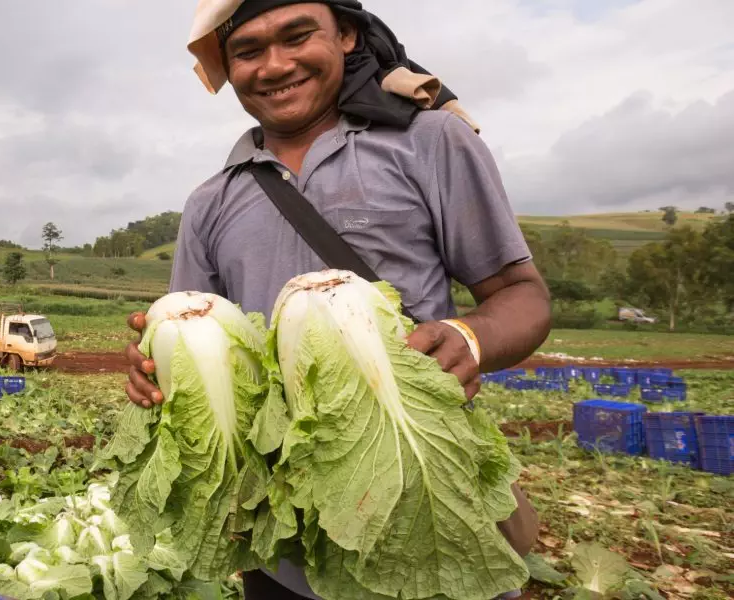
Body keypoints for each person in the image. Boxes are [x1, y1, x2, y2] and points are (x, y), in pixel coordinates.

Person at [123, 1, 550, 598]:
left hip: (416, 500)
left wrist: (470, 339)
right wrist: (156, 373)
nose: (275, 66)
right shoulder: (211, 201)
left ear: (346, 35)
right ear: (229, 68)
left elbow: (521, 296)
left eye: (298, 36)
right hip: (280, 545)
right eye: (248, 51)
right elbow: (206, 342)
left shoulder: (431, 142)